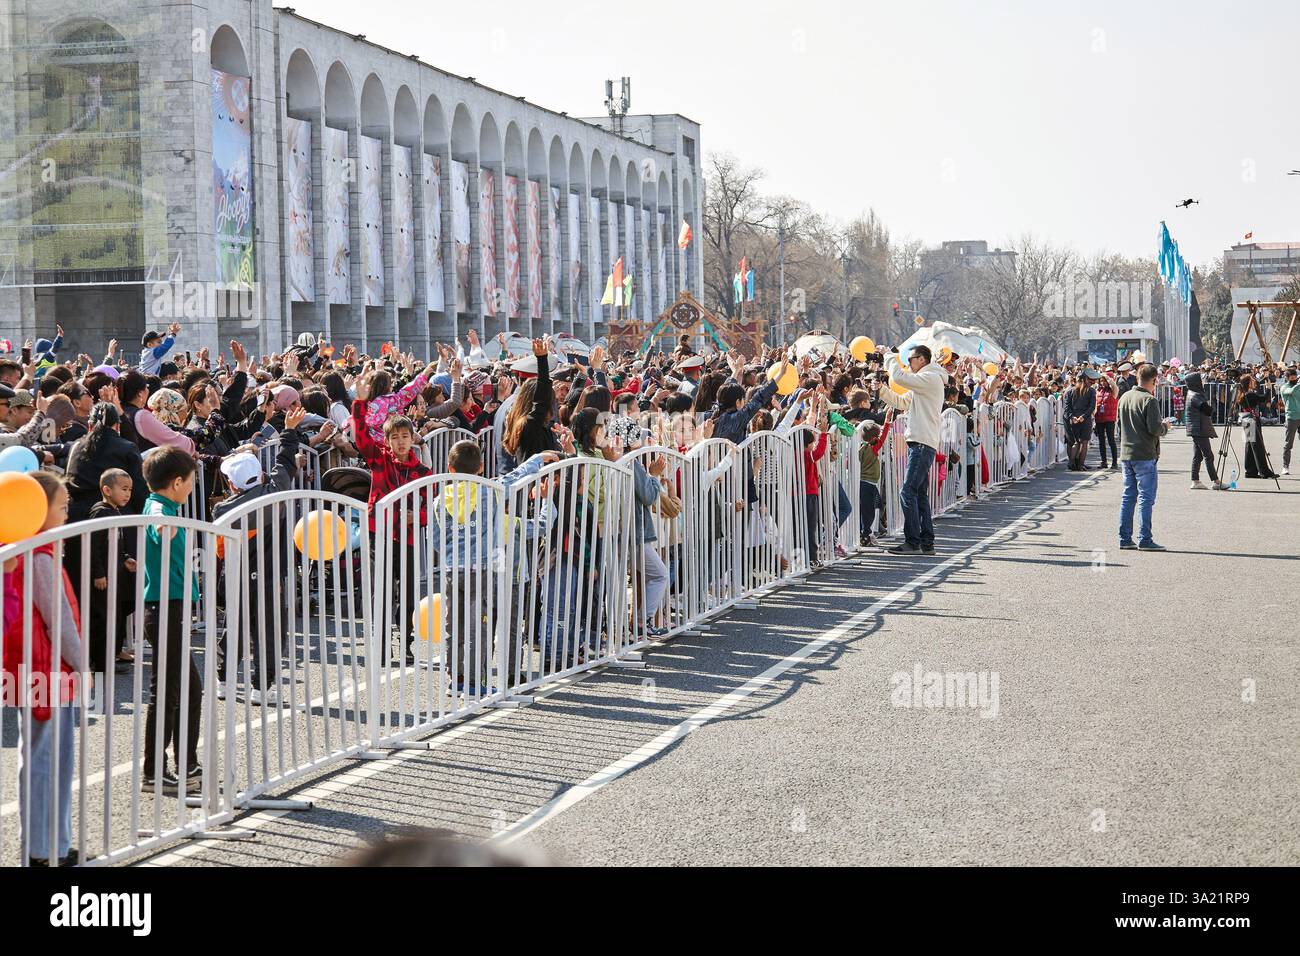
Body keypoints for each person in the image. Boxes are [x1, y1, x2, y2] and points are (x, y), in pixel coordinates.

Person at [2, 470, 86, 866]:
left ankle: (51, 844)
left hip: (33, 668)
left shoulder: (23, 552)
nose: (67, 514)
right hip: (48, 671)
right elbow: (61, 621)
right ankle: (42, 849)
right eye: (62, 507)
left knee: (42, 759)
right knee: (48, 762)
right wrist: (82, 662)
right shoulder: (38, 556)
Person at [139, 446, 203, 796]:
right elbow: (157, 529)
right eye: (191, 481)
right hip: (164, 608)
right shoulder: (159, 508)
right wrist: (165, 529)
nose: (192, 487)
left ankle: (186, 761)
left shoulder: (168, 506)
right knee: (166, 691)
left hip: (173, 607)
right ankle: (153, 770)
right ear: (177, 482)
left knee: (189, 689)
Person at [876, 345, 948, 555]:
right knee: (919, 494)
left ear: (923, 359)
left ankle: (913, 541)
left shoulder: (930, 378)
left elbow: (899, 377)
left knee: (907, 492)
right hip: (921, 441)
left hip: (922, 443)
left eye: (911, 359)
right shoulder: (926, 381)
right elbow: (902, 401)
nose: (908, 363)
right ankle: (926, 541)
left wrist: (888, 356)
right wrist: (880, 389)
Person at [87, 468, 138, 676]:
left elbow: (117, 542)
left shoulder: (115, 510)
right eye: (124, 489)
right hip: (104, 577)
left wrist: (125, 558)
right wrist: (98, 573)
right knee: (103, 619)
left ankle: (112, 653)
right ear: (107, 490)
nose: (128, 494)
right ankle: (101, 663)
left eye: (130, 489)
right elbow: (93, 545)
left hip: (116, 574)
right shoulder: (101, 511)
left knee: (115, 615)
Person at [1116, 364, 1169, 551]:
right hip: (1145, 453)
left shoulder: (1124, 397)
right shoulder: (1149, 400)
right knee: (1146, 498)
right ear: (1153, 380)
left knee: (1128, 496)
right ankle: (1145, 538)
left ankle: (1124, 537)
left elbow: (1118, 427)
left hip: (1126, 453)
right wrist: (1165, 427)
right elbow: (1154, 428)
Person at [1183, 371, 1225, 491]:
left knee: (1198, 456)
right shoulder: (1195, 395)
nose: (1203, 382)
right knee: (1208, 455)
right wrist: (1211, 406)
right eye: (1200, 380)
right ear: (1196, 382)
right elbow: (1207, 410)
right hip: (1198, 428)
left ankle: (1195, 480)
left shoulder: (1192, 393)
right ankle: (1216, 481)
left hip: (1197, 428)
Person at [1094, 374, 1119, 469]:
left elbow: (1114, 385)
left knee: (1111, 440)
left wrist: (1108, 378)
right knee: (1101, 441)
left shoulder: (1113, 391)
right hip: (1099, 418)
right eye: (1101, 381)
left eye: (1104, 381)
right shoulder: (1098, 390)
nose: (1103, 383)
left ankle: (1114, 462)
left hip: (1109, 419)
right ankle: (1103, 461)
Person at [1280, 366, 1299, 475]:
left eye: (1295, 377)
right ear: (1287, 378)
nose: (1294, 379)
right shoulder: (1284, 387)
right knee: (1288, 444)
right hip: (1291, 417)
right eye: (1291, 377)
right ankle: (1285, 466)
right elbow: (1291, 391)